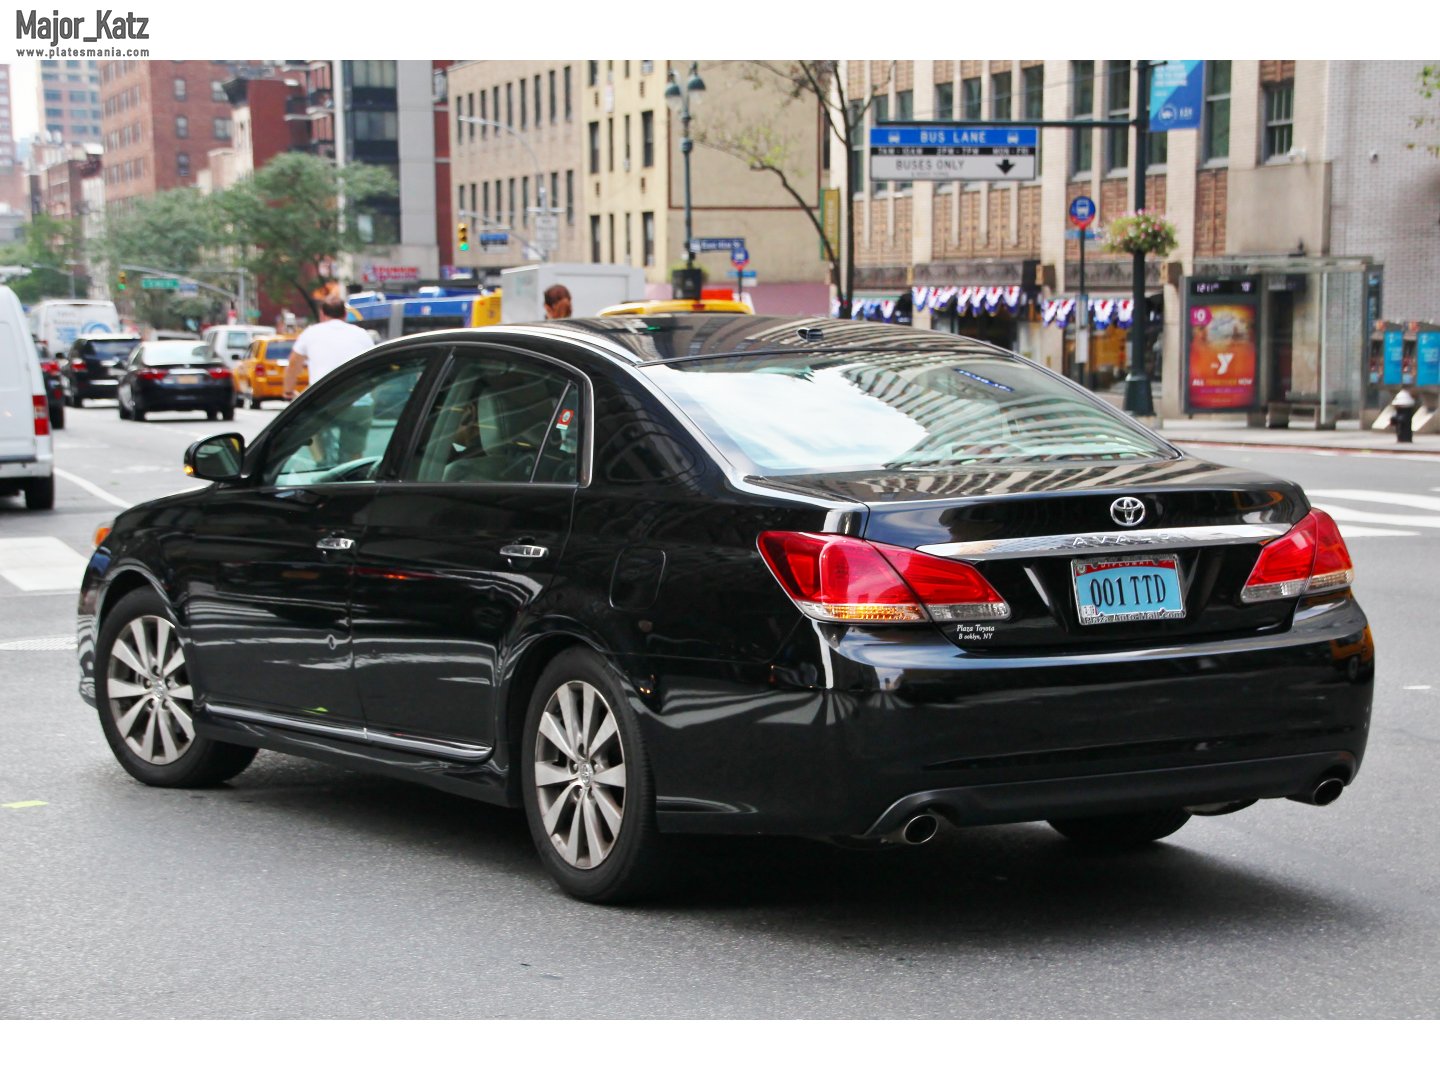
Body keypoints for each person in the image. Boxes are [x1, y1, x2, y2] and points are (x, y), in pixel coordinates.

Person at [283, 294, 374, 401]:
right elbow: (373, 365)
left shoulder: (310, 333)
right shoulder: (362, 334)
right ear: (345, 314)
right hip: (360, 400)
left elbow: (293, 364)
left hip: (324, 402)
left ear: (322, 314)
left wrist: (288, 391)